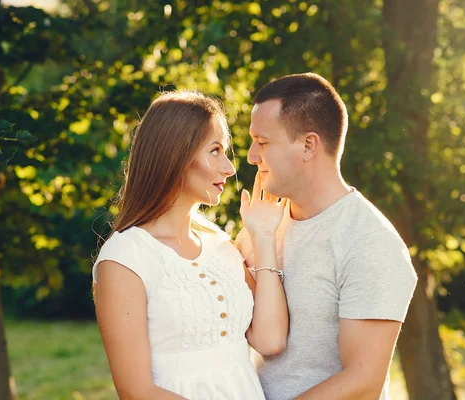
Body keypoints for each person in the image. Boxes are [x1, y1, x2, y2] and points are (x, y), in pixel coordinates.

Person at [92, 90, 289, 400]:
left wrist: (263, 238)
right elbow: (135, 391)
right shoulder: (124, 258)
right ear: (175, 154)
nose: (229, 167)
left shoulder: (222, 247)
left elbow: (271, 339)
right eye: (215, 150)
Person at [236, 73, 418, 400]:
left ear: (308, 145)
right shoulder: (261, 228)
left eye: (262, 143)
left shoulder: (371, 242)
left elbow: (363, 383)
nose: (251, 156)